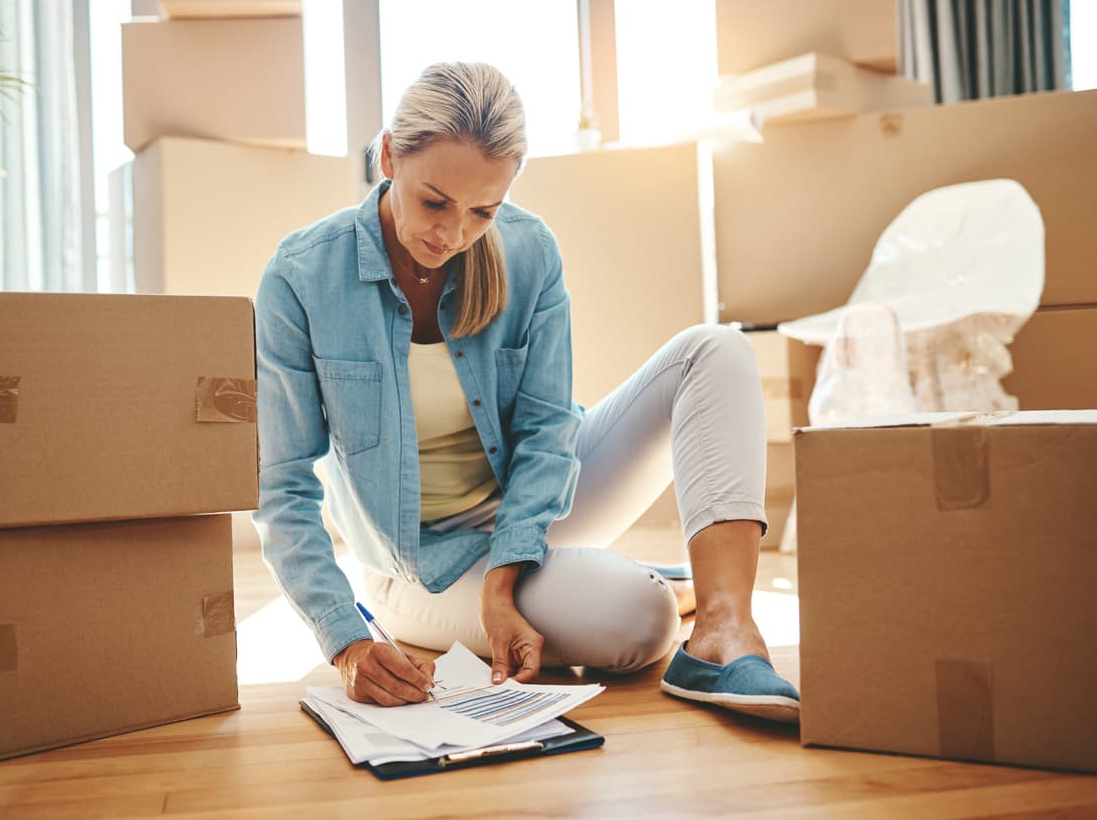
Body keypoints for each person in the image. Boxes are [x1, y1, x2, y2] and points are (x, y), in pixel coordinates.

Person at [254, 62, 799, 723]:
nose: (454, 235)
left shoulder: (530, 250)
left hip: (536, 504)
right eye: (434, 202)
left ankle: (723, 631)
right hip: (420, 563)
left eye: (483, 210)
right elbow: (283, 488)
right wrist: (346, 641)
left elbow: (546, 430)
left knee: (718, 350)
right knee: (640, 621)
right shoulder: (302, 275)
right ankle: (661, 586)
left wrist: (505, 577)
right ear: (390, 156)